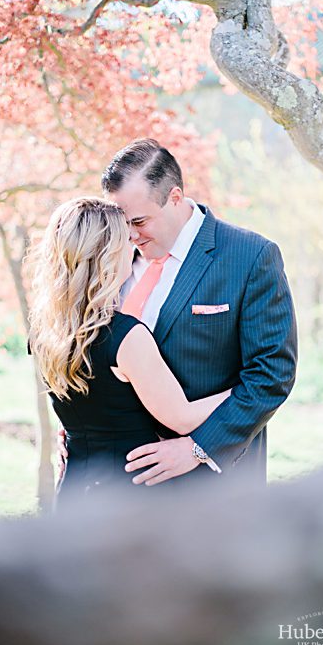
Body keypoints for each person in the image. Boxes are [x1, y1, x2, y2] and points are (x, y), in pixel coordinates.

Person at [103, 138, 297, 485]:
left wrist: (197, 449)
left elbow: (271, 375)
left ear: (175, 198)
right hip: (118, 481)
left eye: (139, 221)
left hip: (210, 485)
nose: (130, 235)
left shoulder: (250, 257)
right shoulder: (110, 257)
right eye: (122, 223)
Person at [28, 197, 232, 501]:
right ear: (106, 256)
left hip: (74, 490)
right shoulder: (125, 337)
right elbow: (182, 418)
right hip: (129, 497)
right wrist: (244, 389)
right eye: (125, 240)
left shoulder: (44, 333)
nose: (133, 247)